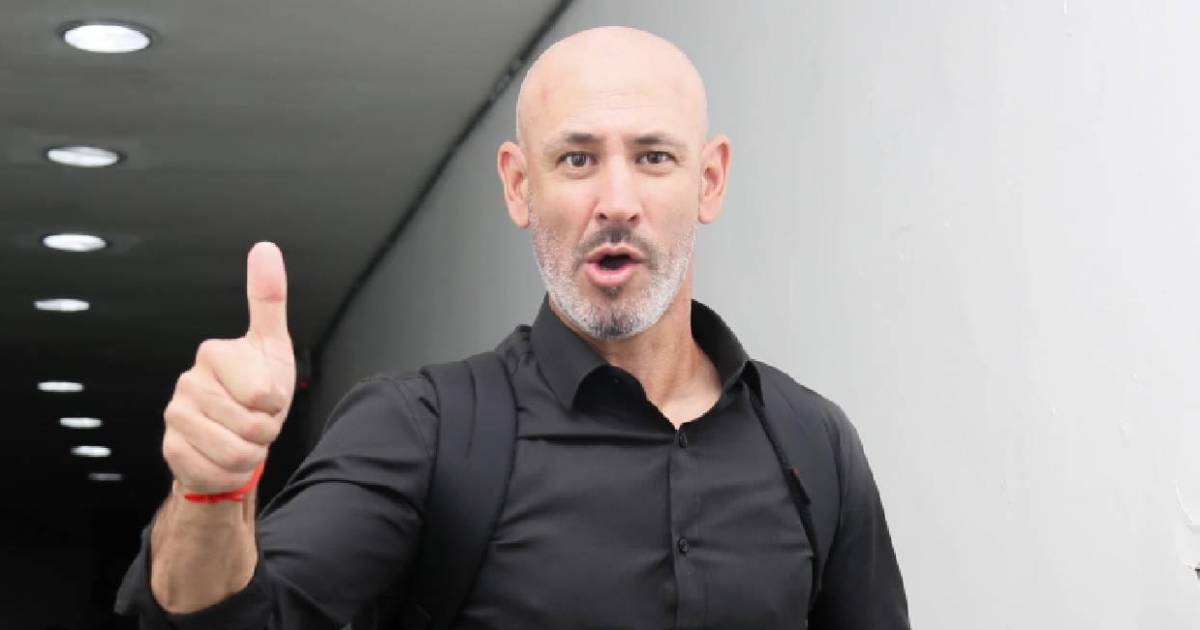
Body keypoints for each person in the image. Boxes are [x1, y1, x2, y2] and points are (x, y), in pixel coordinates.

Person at [115, 26, 909, 629]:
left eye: (654, 158)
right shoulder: (423, 431)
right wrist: (211, 493)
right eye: (577, 159)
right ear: (519, 186)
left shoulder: (812, 443)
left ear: (709, 181)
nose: (617, 202)